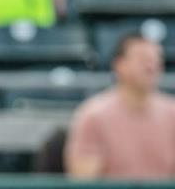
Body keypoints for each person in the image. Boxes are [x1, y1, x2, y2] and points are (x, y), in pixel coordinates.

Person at [66, 32, 175, 179]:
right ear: (119, 64)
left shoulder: (172, 114)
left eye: (156, 60)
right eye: (143, 59)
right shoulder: (94, 115)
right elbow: (84, 181)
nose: (151, 66)